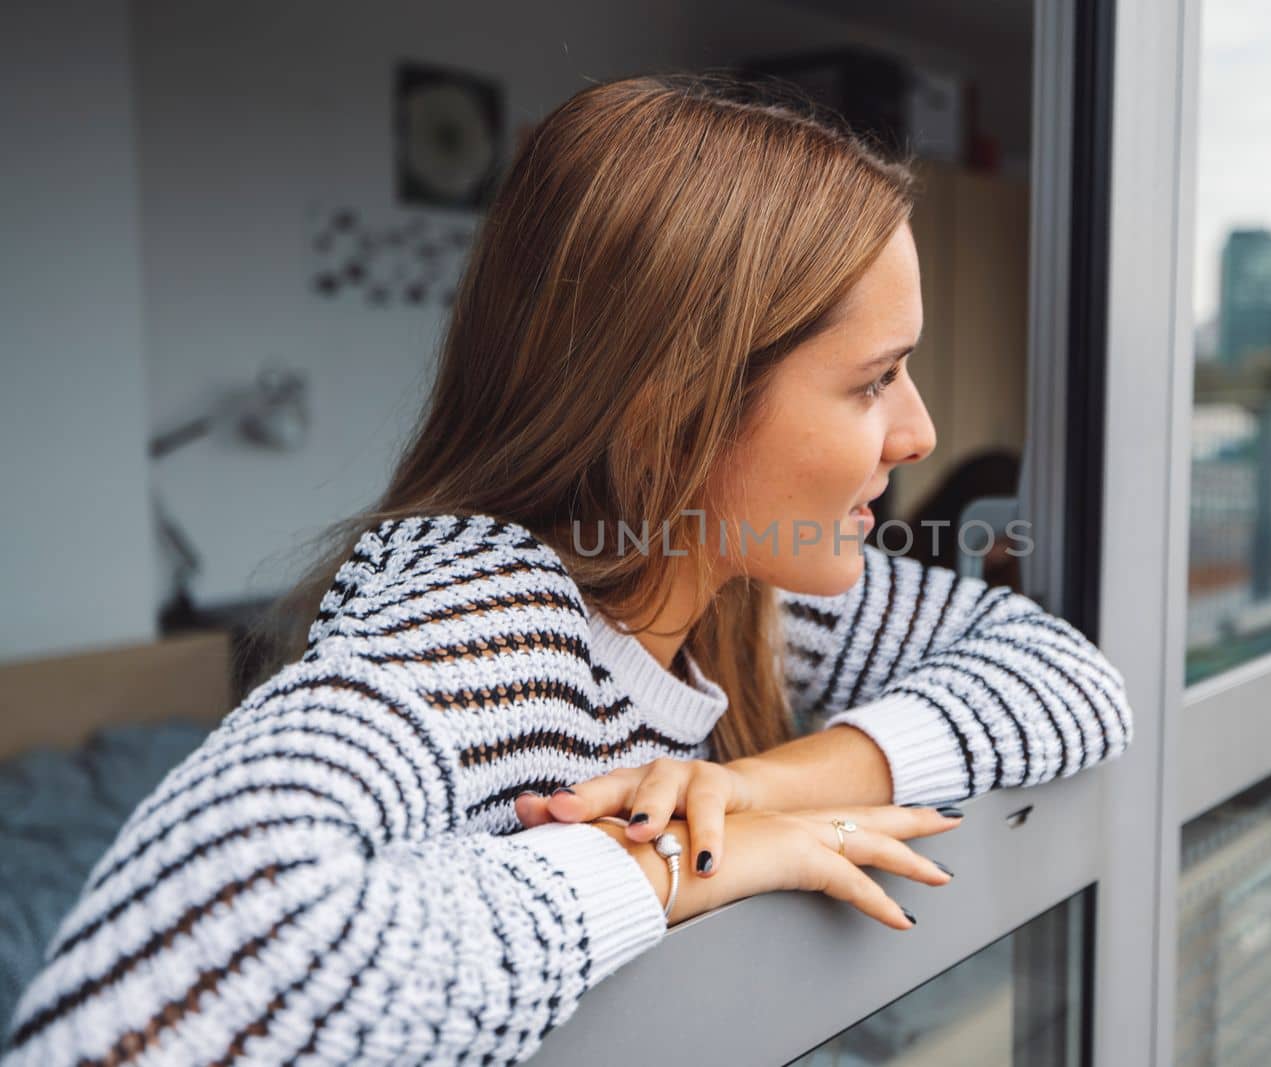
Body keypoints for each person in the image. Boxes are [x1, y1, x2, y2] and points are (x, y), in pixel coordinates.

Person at [5, 72, 1133, 1066]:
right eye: (871, 380)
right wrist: (665, 861)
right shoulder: (496, 622)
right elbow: (161, 1000)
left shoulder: (745, 591)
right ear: (675, 413)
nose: (920, 433)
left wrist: (755, 789)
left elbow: (1073, 683)